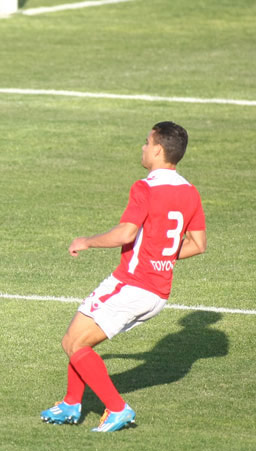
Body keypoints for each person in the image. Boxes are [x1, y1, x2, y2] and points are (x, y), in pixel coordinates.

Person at [41, 121, 206, 432]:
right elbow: (198, 245)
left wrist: (86, 241)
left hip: (133, 283)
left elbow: (126, 232)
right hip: (157, 290)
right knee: (73, 340)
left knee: (75, 345)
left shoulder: (145, 187)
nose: (143, 148)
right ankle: (71, 404)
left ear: (158, 150)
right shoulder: (190, 192)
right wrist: (159, 256)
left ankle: (117, 409)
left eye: (146, 142)